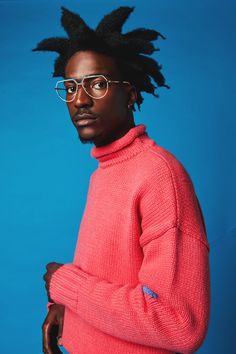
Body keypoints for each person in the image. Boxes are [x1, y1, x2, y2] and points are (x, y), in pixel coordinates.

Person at [33, 6, 210, 354]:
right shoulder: (106, 171)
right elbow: (113, 277)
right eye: (70, 87)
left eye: (97, 84)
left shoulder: (159, 176)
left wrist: (65, 285)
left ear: (129, 94)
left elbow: (179, 324)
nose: (79, 100)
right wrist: (65, 309)